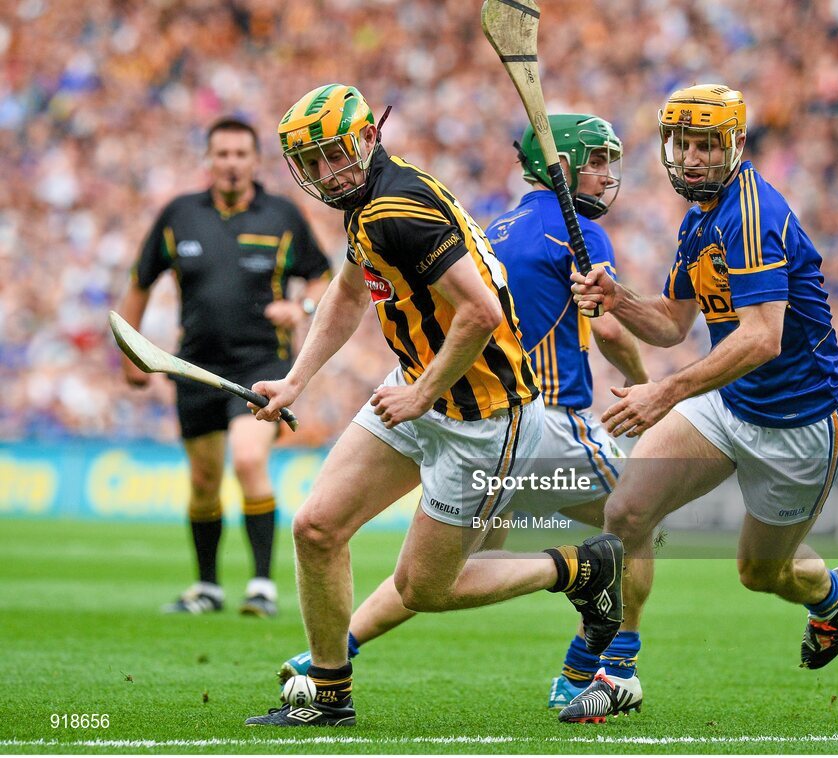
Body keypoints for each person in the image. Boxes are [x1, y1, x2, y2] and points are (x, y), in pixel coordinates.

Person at [243, 84, 624, 727]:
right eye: (311, 163)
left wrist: (421, 394)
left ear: (367, 139)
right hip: (418, 388)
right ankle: (331, 693)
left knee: (425, 588)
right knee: (316, 528)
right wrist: (295, 381)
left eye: (335, 154)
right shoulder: (366, 204)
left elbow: (482, 312)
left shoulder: (399, 208)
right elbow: (347, 291)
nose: (326, 173)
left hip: (484, 418)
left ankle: (580, 568)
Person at [563, 84, 838, 722]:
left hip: (798, 424)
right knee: (626, 511)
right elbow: (671, 324)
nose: (693, 158)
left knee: (761, 574)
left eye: (707, 144)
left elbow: (762, 337)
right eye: (683, 143)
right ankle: (620, 672)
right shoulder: (698, 216)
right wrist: (615, 298)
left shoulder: (750, 214)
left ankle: (832, 594)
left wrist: (665, 393)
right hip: (729, 405)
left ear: (736, 145)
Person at [120, 117, 332, 618]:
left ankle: (261, 585)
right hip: (192, 366)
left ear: (255, 160)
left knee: (249, 459)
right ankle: (208, 587)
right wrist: (130, 352)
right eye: (222, 154)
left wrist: (300, 308)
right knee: (202, 481)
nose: (231, 163)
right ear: (209, 159)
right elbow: (139, 283)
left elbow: (323, 278)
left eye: (241, 154)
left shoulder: (282, 215)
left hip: (262, 364)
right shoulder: (178, 215)